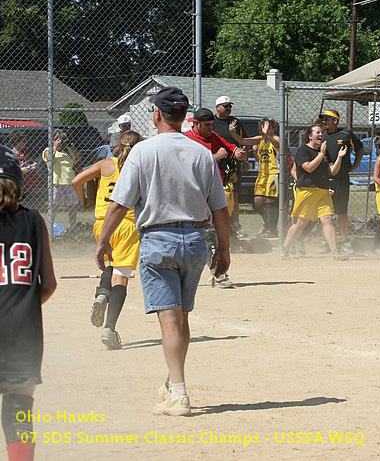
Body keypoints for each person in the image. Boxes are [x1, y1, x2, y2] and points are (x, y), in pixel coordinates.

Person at [95, 87, 230, 417]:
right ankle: (172, 384)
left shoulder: (142, 152)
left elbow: (119, 205)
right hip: (197, 240)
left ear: (157, 114)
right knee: (181, 319)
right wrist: (224, 248)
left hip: (158, 239)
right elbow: (220, 209)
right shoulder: (201, 153)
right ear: (185, 117)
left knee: (169, 321)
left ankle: (179, 394)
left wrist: (103, 241)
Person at [0, 144, 58, 461]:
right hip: (23, 333)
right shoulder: (34, 221)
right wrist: (21, 305)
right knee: (19, 411)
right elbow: (48, 285)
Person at [71, 131, 142, 350]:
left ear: (118, 147)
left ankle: (102, 294)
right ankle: (109, 329)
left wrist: (85, 202)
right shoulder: (139, 168)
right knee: (121, 277)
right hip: (127, 225)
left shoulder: (105, 164)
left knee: (108, 266)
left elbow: (76, 180)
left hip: (102, 224)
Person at [184, 108, 248, 289]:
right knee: (199, 234)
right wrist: (215, 157)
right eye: (206, 125)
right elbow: (190, 165)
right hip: (195, 193)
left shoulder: (213, 137)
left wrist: (237, 153)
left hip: (215, 191)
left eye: (212, 125)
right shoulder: (186, 139)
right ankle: (203, 272)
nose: (210, 129)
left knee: (217, 232)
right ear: (194, 124)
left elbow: (230, 147)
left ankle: (218, 273)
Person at [281, 125, 349, 261]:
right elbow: (309, 168)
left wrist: (339, 158)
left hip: (323, 191)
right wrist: (321, 154)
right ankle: (285, 248)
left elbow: (333, 171)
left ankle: (335, 252)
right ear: (309, 136)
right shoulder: (303, 151)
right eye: (317, 132)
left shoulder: (323, 152)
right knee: (301, 223)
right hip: (306, 191)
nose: (321, 135)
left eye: (322, 133)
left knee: (328, 219)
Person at [227, 118, 280, 237]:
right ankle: (268, 226)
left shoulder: (276, 139)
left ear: (273, 128)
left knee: (270, 201)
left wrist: (267, 135)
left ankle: (271, 229)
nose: (262, 129)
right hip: (262, 174)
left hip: (273, 173)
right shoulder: (260, 140)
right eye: (261, 127)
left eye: (265, 127)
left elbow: (279, 146)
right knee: (257, 202)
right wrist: (233, 132)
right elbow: (243, 141)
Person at [320, 109, 363, 254]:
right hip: (326, 178)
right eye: (323, 119)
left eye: (327, 119)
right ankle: (327, 241)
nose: (324, 122)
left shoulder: (345, 134)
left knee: (341, 211)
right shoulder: (323, 136)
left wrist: (354, 166)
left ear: (335, 121)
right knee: (326, 212)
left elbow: (360, 149)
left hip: (342, 179)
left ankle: (345, 241)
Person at [212, 95, 248, 238]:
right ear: (217, 107)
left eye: (230, 106)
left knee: (235, 196)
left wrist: (244, 159)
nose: (228, 109)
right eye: (225, 106)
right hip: (217, 163)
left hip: (234, 163)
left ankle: (235, 227)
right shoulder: (212, 122)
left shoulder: (235, 122)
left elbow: (243, 141)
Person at [41, 128, 80, 229]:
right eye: (58, 138)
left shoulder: (66, 153)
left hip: (69, 183)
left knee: (72, 207)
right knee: (54, 207)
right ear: (52, 140)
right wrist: (55, 146)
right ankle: (50, 227)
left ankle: (72, 227)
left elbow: (78, 158)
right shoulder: (47, 150)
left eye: (62, 138)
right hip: (56, 183)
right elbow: (50, 159)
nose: (61, 141)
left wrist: (70, 146)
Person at [9, 131, 37, 201]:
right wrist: (20, 170)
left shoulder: (24, 153)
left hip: (27, 185)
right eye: (23, 141)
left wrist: (32, 166)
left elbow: (26, 164)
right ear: (16, 141)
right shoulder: (10, 154)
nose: (25, 143)